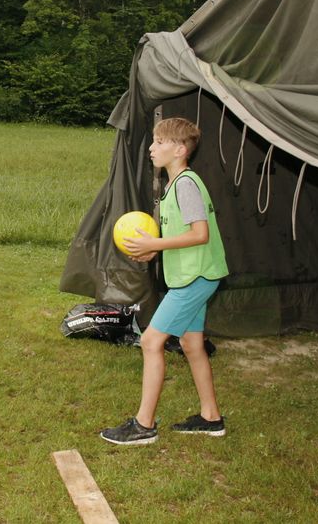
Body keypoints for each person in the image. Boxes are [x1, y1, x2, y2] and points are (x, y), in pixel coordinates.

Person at [100, 117, 229, 445]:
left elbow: (200, 234)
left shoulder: (185, 184)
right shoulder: (175, 184)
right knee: (191, 344)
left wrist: (154, 243)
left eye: (159, 142)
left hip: (195, 278)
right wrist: (154, 251)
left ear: (180, 150)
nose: (151, 148)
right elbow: (184, 236)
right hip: (197, 276)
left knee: (150, 342)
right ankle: (211, 418)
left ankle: (144, 426)